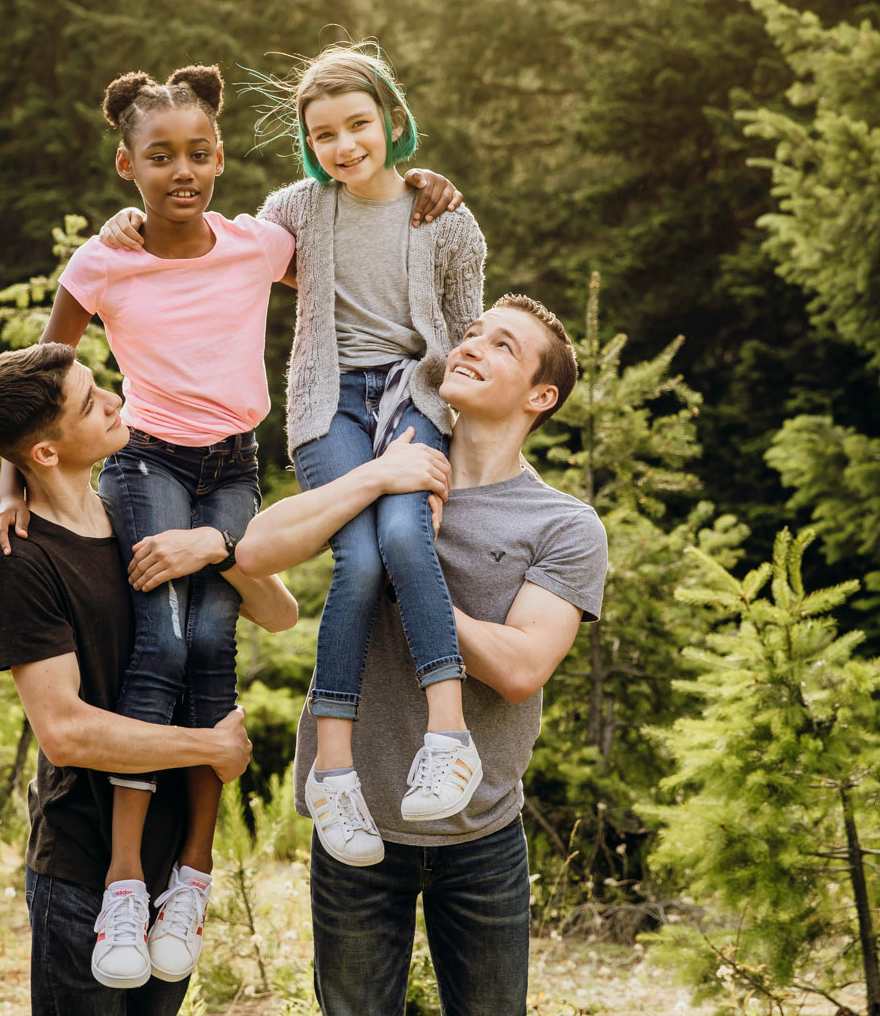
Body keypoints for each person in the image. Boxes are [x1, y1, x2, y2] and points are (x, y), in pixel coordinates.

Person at [0, 64, 466, 983]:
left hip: (235, 464)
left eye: (201, 153)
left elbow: (350, 237)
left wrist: (420, 189)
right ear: (126, 165)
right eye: (159, 156)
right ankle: (127, 878)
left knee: (213, 641)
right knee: (160, 644)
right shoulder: (103, 260)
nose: (184, 172)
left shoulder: (254, 244)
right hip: (146, 461)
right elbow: (43, 380)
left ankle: (191, 877)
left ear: (219, 158)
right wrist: (12, 491)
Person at [99, 45, 488, 870]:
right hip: (328, 403)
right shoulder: (299, 209)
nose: (345, 146)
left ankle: (449, 736)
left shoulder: (445, 215)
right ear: (308, 145)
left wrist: (459, 437)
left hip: (413, 399)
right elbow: (209, 247)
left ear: (392, 120)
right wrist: (121, 224)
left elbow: (465, 331)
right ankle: (334, 772)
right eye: (325, 135)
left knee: (406, 541)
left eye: (359, 125)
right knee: (357, 557)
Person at [231, 295, 607, 1016]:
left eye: (501, 345)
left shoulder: (563, 525)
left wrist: (416, 574)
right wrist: (377, 480)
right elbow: (255, 550)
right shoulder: (379, 468)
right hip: (357, 819)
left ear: (541, 395)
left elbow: (522, 666)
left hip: (483, 830)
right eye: (469, 333)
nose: (470, 346)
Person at [0, 341, 300, 1014]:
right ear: (47, 452)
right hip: (83, 867)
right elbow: (64, 733)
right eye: (92, 402)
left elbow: (279, 611)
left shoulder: (142, 511)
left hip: (173, 870)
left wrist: (214, 546)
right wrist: (210, 747)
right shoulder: (21, 561)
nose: (117, 400)